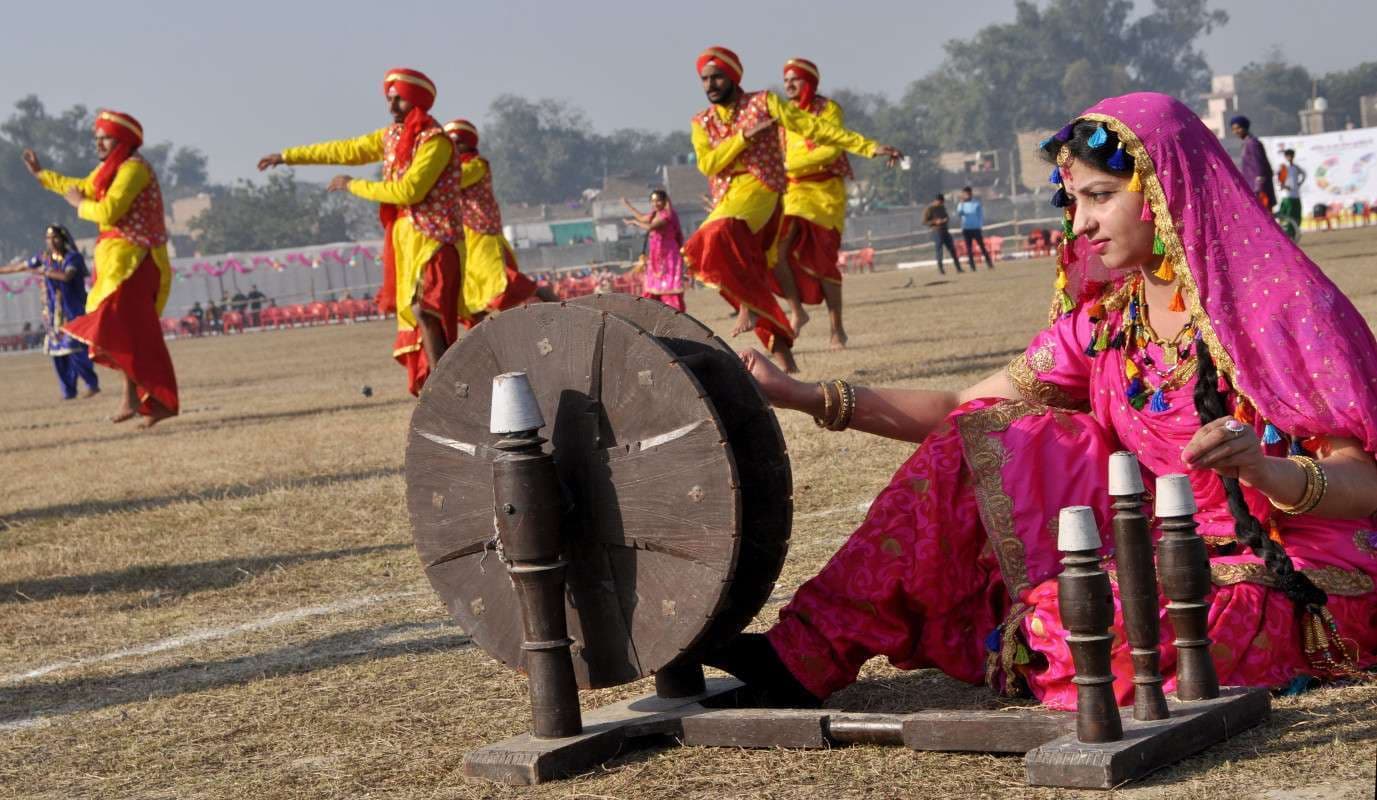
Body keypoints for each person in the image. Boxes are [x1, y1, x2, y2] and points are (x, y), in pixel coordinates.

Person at [707, 92, 1377, 710]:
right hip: (1164, 545)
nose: (1080, 223)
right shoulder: (1110, 321)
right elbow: (960, 410)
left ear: (1163, 193)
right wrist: (801, 395)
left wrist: (1265, 472)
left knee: (1076, 621)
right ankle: (805, 656)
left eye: (1099, 196)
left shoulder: (1280, 311)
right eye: (1072, 201)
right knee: (991, 438)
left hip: (1300, 562)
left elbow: (1361, 483)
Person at [682, 46, 903, 373]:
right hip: (729, 197)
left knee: (722, 235)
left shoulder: (766, 103)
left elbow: (818, 130)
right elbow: (708, 163)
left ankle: (773, 310)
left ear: (732, 76)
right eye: (705, 79)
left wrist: (869, 147)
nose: (710, 84)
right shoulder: (701, 122)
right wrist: (744, 137)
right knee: (713, 255)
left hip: (766, 192)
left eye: (717, 77)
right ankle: (786, 359)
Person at [258, 68, 463, 395]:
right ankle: (444, 390)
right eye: (389, 99)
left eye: (399, 98)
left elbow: (409, 191)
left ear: (418, 100)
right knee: (419, 316)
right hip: (406, 242)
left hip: (436, 241)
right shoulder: (392, 137)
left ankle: (447, 390)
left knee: (427, 311)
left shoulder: (434, 142)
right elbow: (345, 150)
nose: (392, 106)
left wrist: (354, 185)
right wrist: (287, 156)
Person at [24, 110, 179, 427]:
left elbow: (109, 209)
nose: (99, 143)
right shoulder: (109, 170)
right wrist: (43, 176)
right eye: (97, 138)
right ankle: (140, 399)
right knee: (125, 332)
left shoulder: (134, 170)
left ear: (123, 140)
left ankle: (148, 399)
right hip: (116, 263)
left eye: (105, 137)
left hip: (137, 262)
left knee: (126, 330)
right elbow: (79, 186)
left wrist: (79, 206)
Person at [769, 57, 858, 350]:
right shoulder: (786, 114)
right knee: (776, 252)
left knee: (824, 263)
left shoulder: (828, 109)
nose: (789, 86)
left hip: (825, 195)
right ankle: (797, 311)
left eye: (795, 80)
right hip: (793, 193)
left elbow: (830, 151)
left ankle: (837, 329)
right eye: (786, 81)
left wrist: (789, 164)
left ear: (810, 82)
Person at [441, 119, 554, 326]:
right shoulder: (452, 170)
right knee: (474, 295)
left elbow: (454, 181)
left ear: (463, 144)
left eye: (451, 145)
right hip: (465, 242)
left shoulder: (476, 165)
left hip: (483, 238)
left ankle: (549, 302)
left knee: (501, 285)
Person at [0, 225, 100, 399]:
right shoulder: (44, 258)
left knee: (75, 349)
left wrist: (42, 271)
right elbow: (20, 267)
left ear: (63, 239)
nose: (52, 242)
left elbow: (66, 276)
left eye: (55, 238)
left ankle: (91, 384)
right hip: (54, 313)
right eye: (48, 239)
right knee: (57, 352)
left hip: (72, 310)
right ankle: (68, 391)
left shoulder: (72, 258)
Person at [622, 189, 686, 311]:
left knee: (668, 285)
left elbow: (651, 227)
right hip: (656, 255)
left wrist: (635, 223)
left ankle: (675, 311)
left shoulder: (667, 215)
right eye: (653, 201)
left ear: (664, 201)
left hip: (668, 255)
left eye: (658, 201)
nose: (655, 203)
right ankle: (652, 310)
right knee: (653, 284)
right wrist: (628, 206)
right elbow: (642, 218)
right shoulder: (654, 214)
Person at [1231, 115, 1275, 211]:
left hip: (1258, 189)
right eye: (1233, 129)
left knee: (1264, 216)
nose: (1236, 132)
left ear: (1245, 127)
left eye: (1238, 128)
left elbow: (1260, 166)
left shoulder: (1253, 143)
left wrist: (1259, 187)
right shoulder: (1246, 143)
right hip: (1251, 186)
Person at [956, 186, 994, 271]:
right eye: (965, 194)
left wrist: (980, 226)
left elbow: (980, 216)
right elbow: (959, 214)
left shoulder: (976, 203)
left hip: (976, 228)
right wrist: (961, 204)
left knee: (982, 246)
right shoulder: (960, 204)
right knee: (969, 248)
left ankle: (989, 263)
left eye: (968, 194)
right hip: (966, 229)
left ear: (971, 194)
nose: (966, 195)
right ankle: (972, 267)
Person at [923, 194, 963, 275]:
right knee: (939, 251)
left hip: (945, 231)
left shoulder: (942, 207)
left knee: (952, 249)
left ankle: (958, 268)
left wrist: (945, 219)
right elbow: (924, 221)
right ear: (936, 200)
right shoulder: (929, 209)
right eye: (940, 202)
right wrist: (935, 222)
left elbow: (946, 216)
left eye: (942, 202)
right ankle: (941, 269)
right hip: (937, 232)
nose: (941, 204)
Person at [1277, 148, 1306, 240]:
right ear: (1285, 157)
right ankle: (1285, 234)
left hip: (1296, 195)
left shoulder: (1296, 167)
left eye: (1292, 156)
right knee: (1287, 215)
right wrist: (1283, 186)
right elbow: (1277, 177)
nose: (1290, 157)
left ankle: (1293, 234)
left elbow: (1304, 174)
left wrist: (1299, 184)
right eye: (1288, 156)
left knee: (1296, 215)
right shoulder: (1283, 167)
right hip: (1287, 196)